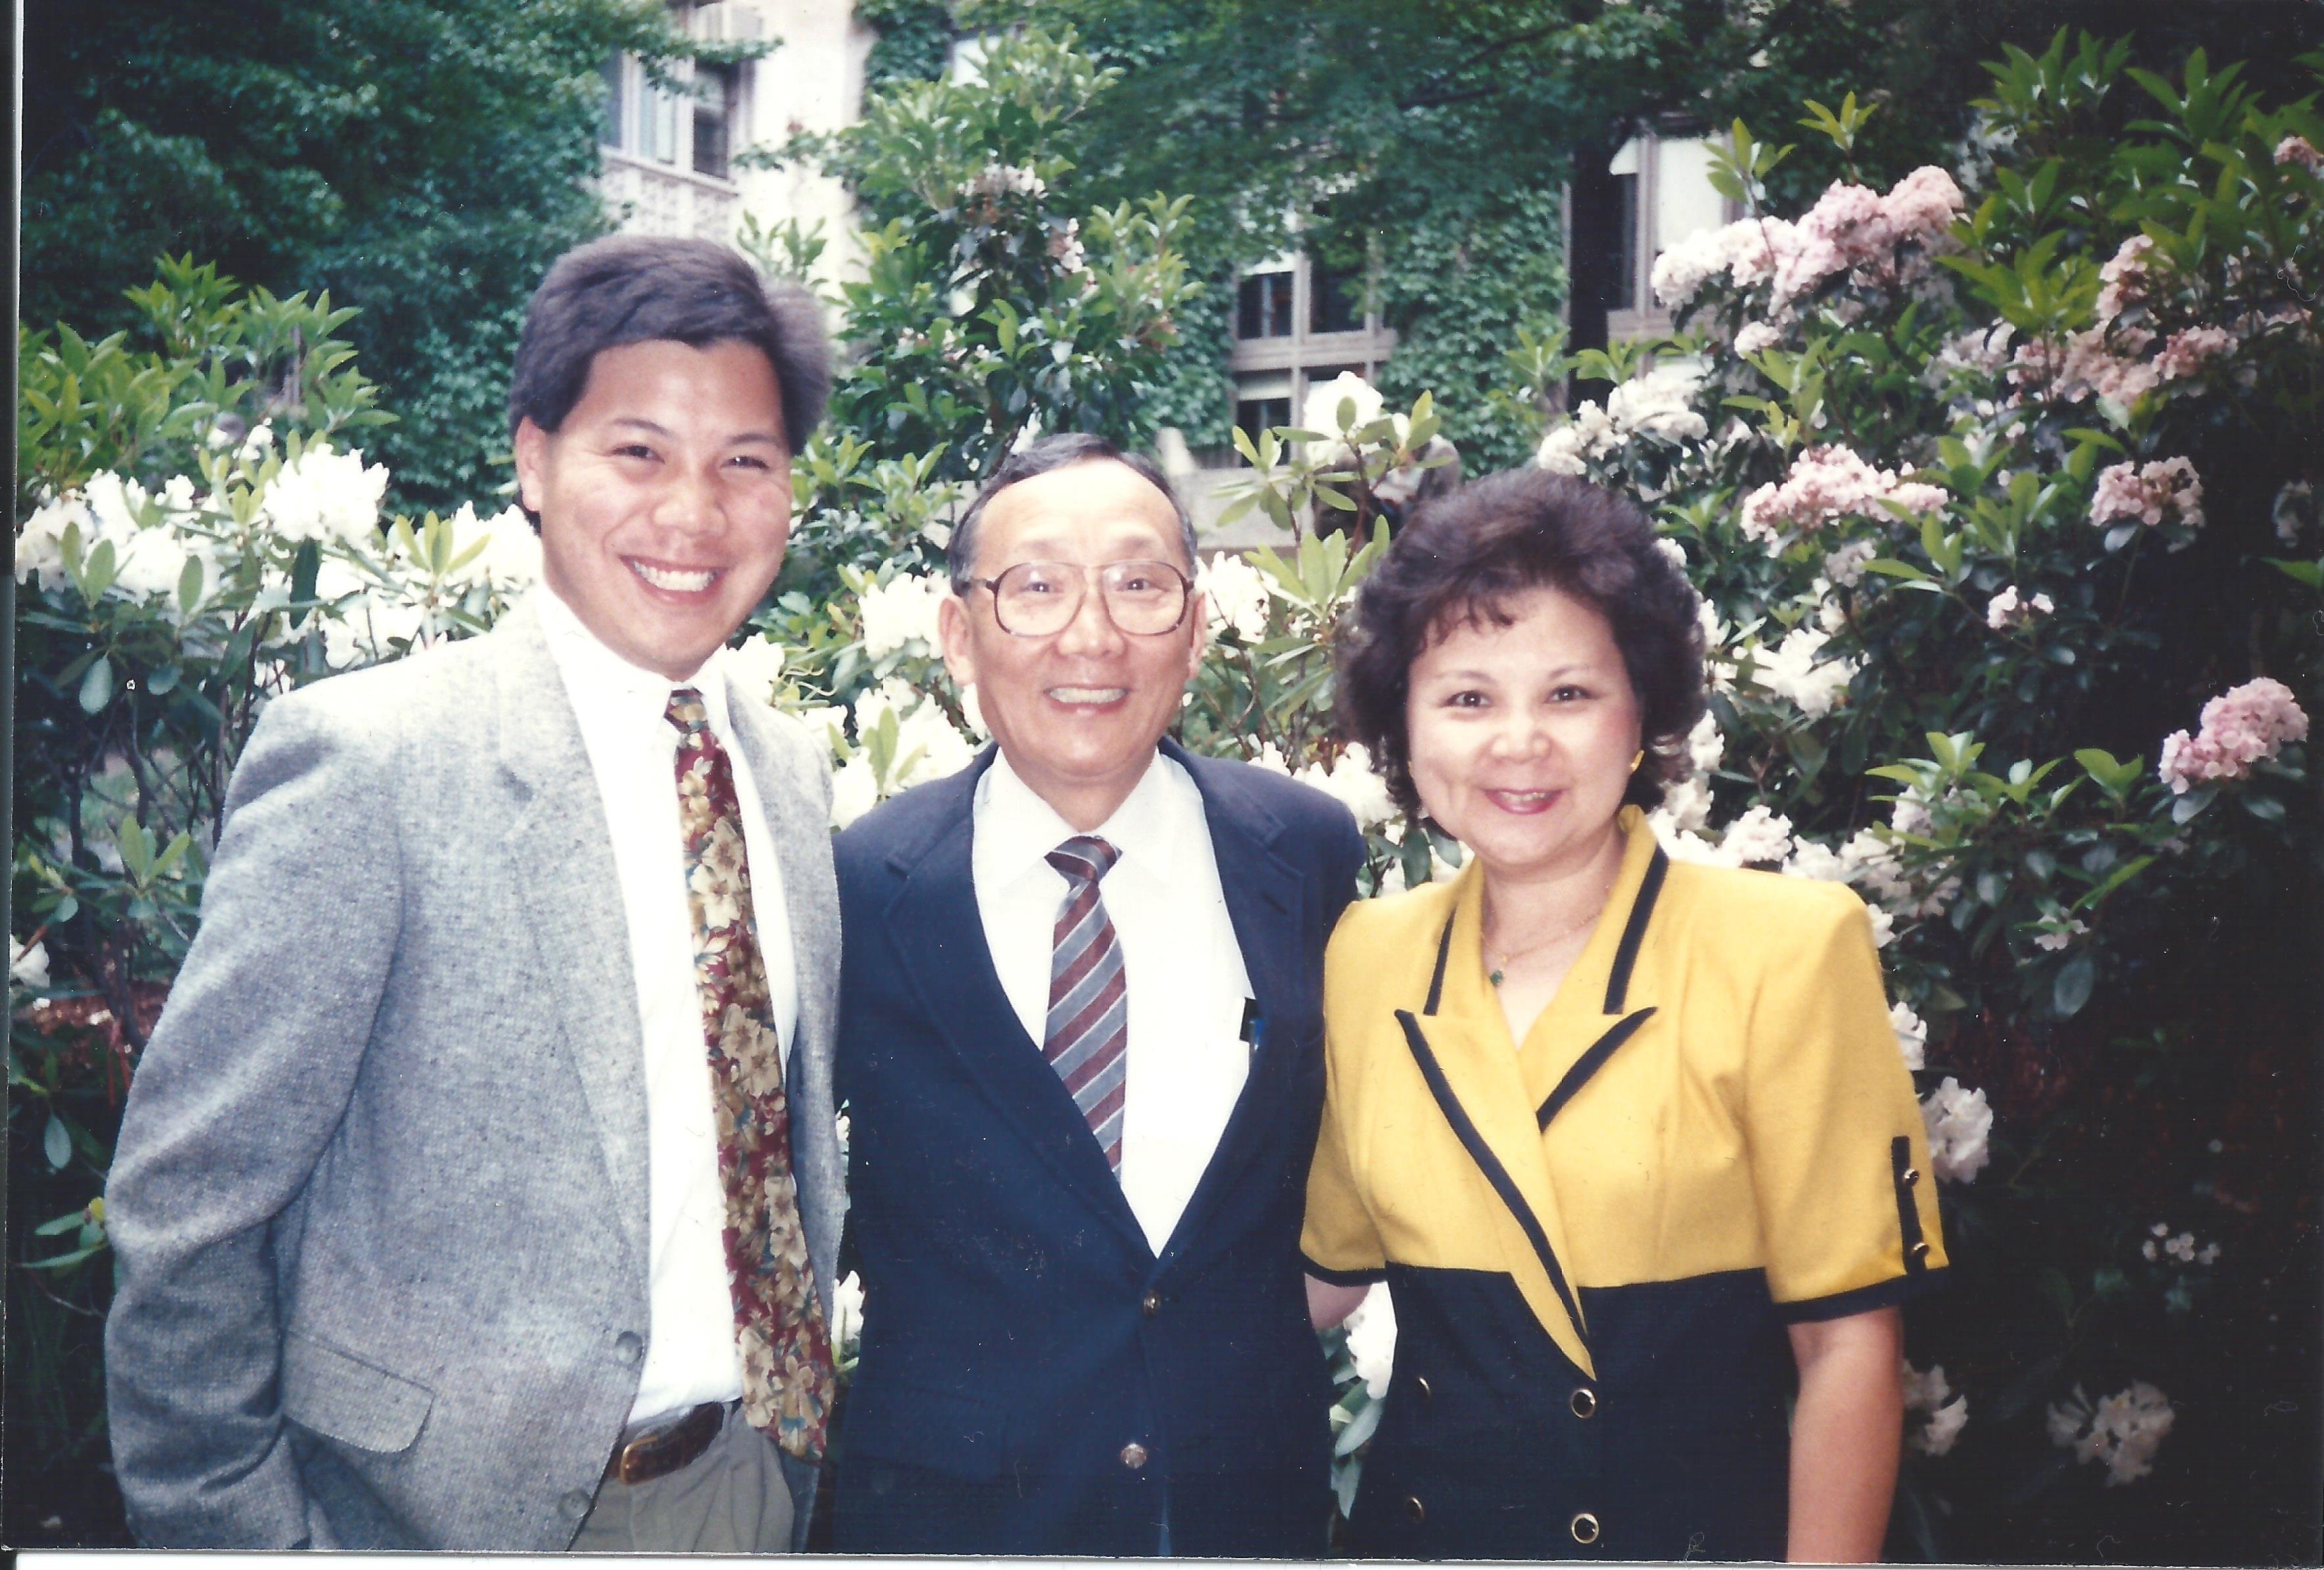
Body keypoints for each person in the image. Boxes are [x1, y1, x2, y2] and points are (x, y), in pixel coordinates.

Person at [103, 235, 846, 1552]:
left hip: (743, 1490)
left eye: (746, 462)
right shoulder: (371, 761)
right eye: (638, 453)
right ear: (532, 460)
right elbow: (189, 1207)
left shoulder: (784, 768)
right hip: (428, 1523)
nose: (693, 513)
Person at [1301, 468, 1947, 1561]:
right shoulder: (1370, 956)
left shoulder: (1785, 950)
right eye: (1466, 698)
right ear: (1401, 727)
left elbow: (1847, 1348)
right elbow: (1320, 1278)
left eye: (1568, 694)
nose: (1518, 744)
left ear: (1640, 712)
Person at [829, 433, 1366, 1556]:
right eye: (1035, 587)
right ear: (956, 633)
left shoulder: (1301, 854)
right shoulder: (859, 885)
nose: (1091, 634)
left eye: (1138, 584)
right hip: (949, 1523)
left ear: (1195, 625)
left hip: (1244, 1517)